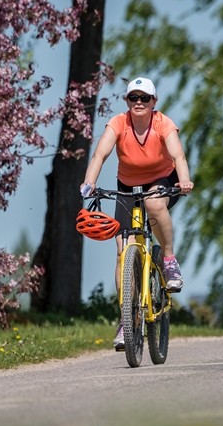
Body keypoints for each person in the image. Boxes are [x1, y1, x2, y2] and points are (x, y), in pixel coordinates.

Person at [80, 77, 194, 350]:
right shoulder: (118, 123)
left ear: (154, 102)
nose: (139, 102)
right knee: (123, 252)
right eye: (134, 98)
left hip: (163, 180)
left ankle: (168, 259)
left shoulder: (162, 124)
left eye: (145, 98)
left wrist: (185, 180)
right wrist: (89, 183)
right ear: (127, 101)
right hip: (127, 186)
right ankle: (127, 320)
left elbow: (178, 156)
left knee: (155, 204)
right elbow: (100, 155)